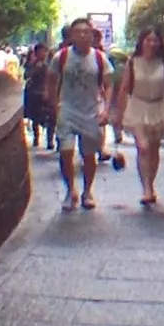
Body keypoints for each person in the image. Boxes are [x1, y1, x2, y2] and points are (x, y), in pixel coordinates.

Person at [113, 26, 164, 207]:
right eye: (148, 39)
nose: (151, 43)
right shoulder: (132, 63)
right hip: (138, 106)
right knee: (143, 147)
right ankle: (146, 189)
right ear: (142, 42)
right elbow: (125, 88)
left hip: (159, 106)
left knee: (154, 149)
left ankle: (151, 183)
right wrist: (118, 115)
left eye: (155, 40)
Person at [51, 17, 113, 209]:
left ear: (92, 35)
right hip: (68, 109)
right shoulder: (61, 57)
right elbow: (51, 81)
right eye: (78, 32)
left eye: (86, 31)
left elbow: (109, 84)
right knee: (65, 151)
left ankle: (87, 191)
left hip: (91, 111)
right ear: (71, 35)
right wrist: (55, 105)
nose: (83, 35)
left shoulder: (99, 58)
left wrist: (106, 110)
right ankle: (71, 191)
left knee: (88, 155)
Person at [21, 40, 55, 152]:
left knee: (51, 117)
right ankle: (36, 137)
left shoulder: (49, 64)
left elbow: (50, 79)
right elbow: (26, 76)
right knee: (34, 117)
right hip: (34, 93)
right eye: (41, 52)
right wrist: (35, 68)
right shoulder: (31, 64)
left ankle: (50, 140)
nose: (43, 54)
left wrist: (48, 91)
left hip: (44, 92)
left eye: (45, 51)